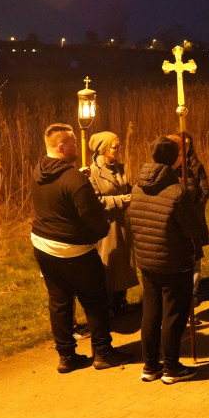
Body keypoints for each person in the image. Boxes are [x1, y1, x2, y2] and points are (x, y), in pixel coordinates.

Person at [30, 123, 131, 374]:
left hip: (43, 245)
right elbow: (92, 216)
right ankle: (103, 353)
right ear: (61, 147)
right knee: (95, 300)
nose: (78, 146)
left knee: (59, 301)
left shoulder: (39, 170)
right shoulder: (74, 179)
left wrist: (78, 177)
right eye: (74, 142)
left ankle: (66, 356)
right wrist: (100, 232)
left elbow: (60, 193)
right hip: (74, 249)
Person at [127, 137, 208, 384]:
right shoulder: (177, 191)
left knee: (151, 313)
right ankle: (171, 367)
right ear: (175, 159)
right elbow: (191, 229)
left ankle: (150, 365)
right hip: (174, 261)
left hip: (147, 259)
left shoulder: (137, 187)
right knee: (173, 314)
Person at [87, 131, 138, 316]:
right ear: (104, 149)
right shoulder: (92, 172)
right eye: (115, 147)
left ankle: (120, 301)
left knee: (124, 261)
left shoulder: (118, 167)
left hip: (123, 221)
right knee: (110, 262)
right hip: (108, 224)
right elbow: (94, 200)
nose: (118, 150)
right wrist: (119, 200)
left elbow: (125, 187)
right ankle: (107, 305)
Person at [167, 132, 209, 304]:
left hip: (195, 218)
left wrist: (195, 211)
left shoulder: (196, 166)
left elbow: (204, 190)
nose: (185, 148)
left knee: (195, 258)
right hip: (176, 221)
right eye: (181, 145)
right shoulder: (170, 169)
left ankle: (193, 293)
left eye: (187, 144)